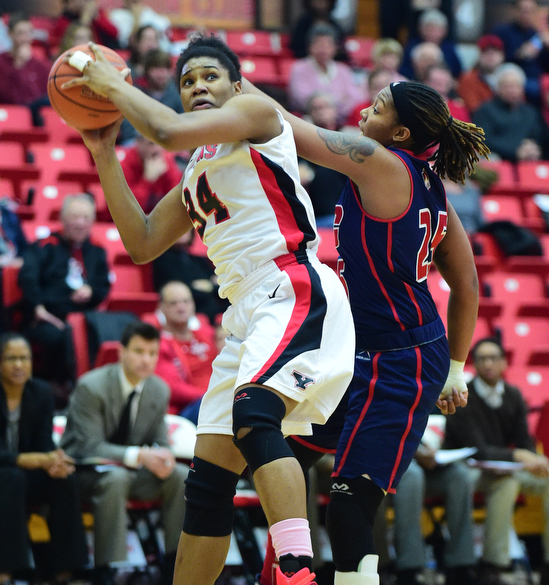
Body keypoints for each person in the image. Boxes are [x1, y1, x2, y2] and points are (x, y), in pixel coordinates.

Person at [63, 34, 356, 585]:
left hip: (290, 285)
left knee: (255, 415)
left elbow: (165, 130)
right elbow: (144, 243)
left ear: (236, 84)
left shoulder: (256, 110)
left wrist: (107, 84)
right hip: (243, 310)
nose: (198, 85)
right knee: (208, 483)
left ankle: (296, 572)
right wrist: (103, 153)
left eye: (208, 76)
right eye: (187, 81)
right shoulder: (199, 167)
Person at [243, 73, 487, 585]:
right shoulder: (430, 187)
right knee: (283, 459)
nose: (362, 114)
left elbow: (287, 127)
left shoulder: (380, 162)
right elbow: (465, 283)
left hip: (401, 361)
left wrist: (228, 78)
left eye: (376, 109)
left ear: (400, 135)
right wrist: (458, 368)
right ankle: (282, 575)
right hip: (359, 353)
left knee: (350, 508)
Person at [60, 321, 188, 585]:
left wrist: (164, 456)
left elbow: (160, 440)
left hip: (128, 474)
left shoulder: (158, 389)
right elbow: (89, 446)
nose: (146, 360)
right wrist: (141, 456)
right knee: (116, 479)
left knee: (180, 475)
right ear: (122, 352)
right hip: (82, 473)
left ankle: (176, 563)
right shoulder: (91, 386)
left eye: (152, 353)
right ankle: (108, 568)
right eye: (139, 351)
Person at [443, 337, 549, 585]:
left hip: (501, 466)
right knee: (507, 483)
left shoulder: (513, 394)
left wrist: (534, 459)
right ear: (474, 364)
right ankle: (492, 564)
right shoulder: (462, 396)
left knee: (545, 478)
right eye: (482, 358)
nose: (488, 363)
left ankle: (546, 563)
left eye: (493, 358)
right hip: (465, 469)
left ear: (504, 363)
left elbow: (524, 441)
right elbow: (478, 451)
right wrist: (517, 456)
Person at [0, 333, 89, 585]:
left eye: (24, 358)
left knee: (63, 480)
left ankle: (66, 571)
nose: (19, 365)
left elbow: (44, 444)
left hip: (25, 471)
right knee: (11, 478)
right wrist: (26, 459)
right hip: (7, 471)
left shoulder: (40, 392)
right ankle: (7, 570)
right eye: (11, 358)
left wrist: (53, 461)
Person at [17, 194, 110, 402]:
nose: (80, 223)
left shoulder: (97, 250)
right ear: (62, 218)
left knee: (106, 330)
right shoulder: (44, 245)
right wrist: (38, 307)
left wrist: (91, 291)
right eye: (75, 217)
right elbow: (27, 278)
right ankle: (57, 390)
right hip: (47, 315)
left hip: (84, 316)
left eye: (86, 218)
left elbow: (103, 286)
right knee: (57, 336)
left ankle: (98, 392)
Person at [391, 441, 479, 584]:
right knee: (412, 475)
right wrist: (416, 452)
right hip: (392, 466)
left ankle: (460, 566)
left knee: (459, 475)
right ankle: (408, 570)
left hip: (422, 464)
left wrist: (428, 450)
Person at [142, 281, 218, 415]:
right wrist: (212, 397)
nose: (181, 307)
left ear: (193, 305)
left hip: (217, 400)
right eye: (173, 303)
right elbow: (173, 389)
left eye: (186, 301)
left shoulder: (208, 334)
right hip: (188, 408)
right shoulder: (158, 344)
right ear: (161, 308)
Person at [287, 22, 365, 126]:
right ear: (310, 46)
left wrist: (332, 111)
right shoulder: (299, 68)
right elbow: (301, 98)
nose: (323, 48)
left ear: (335, 48)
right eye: (319, 44)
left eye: (328, 44)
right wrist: (327, 106)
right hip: (307, 122)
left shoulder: (343, 70)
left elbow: (354, 98)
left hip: (340, 122)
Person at [472, 62, 549, 162]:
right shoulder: (485, 111)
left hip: (530, 162)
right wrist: (515, 151)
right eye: (507, 86)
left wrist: (534, 149)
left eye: (516, 86)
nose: (512, 90)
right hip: (499, 161)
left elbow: (540, 138)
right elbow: (483, 139)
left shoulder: (531, 112)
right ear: (498, 88)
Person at [151, 230, 229, 323]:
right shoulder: (161, 260)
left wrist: (208, 286)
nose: (182, 231)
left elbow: (220, 284)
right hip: (193, 310)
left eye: (186, 228)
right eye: (177, 227)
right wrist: (209, 285)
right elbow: (177, 290)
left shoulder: (199, 260)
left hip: (213, 306)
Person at [299, 92, 348, 227]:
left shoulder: (351, 136)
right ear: (309, 115)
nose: (321, 111)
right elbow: (301, 174)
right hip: (319, 210)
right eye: (315, 108)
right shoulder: (302, 144)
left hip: (348, 202)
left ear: (335, 111)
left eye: (325, 107)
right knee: (325, 174)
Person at [119, 48, 183, 145]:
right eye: (157, 69)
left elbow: (183, 121)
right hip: (138, 142)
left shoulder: (176, 90)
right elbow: (128, 127)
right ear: (146, 71)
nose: (162, 74)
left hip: (170, 141)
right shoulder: (134, 91)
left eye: (166, 68)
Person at [492, 0, 549, 104]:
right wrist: (520, 54)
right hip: (511, 76)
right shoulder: (502, 31)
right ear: (515, 11)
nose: (526, 15)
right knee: (535, 89)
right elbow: (494, 59)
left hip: (536, 79)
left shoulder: (538, 34)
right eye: (523, 10)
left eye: (531, 11)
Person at [0, 14, 51, 126]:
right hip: (9, 112)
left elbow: (38, 95)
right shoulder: (2, 62)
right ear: (10, 34)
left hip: (34, 115)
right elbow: (7, 96)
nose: (24, 38)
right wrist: (18, 66)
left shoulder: (42, 65)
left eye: (28, 33)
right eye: (20, 33)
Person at [120, 131, 183, 213]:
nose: (157, 149)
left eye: (161, 144)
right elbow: (126, 209)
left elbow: (178, 202)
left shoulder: (166, 162)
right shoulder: (126, 166)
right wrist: (147, 181)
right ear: (139, 143)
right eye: (151, 144)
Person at [400, 9, 462, 81]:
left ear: (444, 31)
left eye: (436, 29)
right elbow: (404, 71)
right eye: (429, 28)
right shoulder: (412, 46)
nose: (432, 33)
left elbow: (457, 72)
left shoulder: (449, 48)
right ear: (420, 29)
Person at [457, 34, 505, 115]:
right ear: (479, 56)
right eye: (486, 52)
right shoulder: (468, 79)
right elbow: (474, 109)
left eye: (495, 52)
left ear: (502, 56)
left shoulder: (510, 76)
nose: (491, 56)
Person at [49, 0, 119, 52]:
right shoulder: (63, 22)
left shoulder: (96, 15)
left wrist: (97, 17)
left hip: (99, 52)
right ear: (68, 3)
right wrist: (85, 20)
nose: (82, 2)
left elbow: (114, 33)